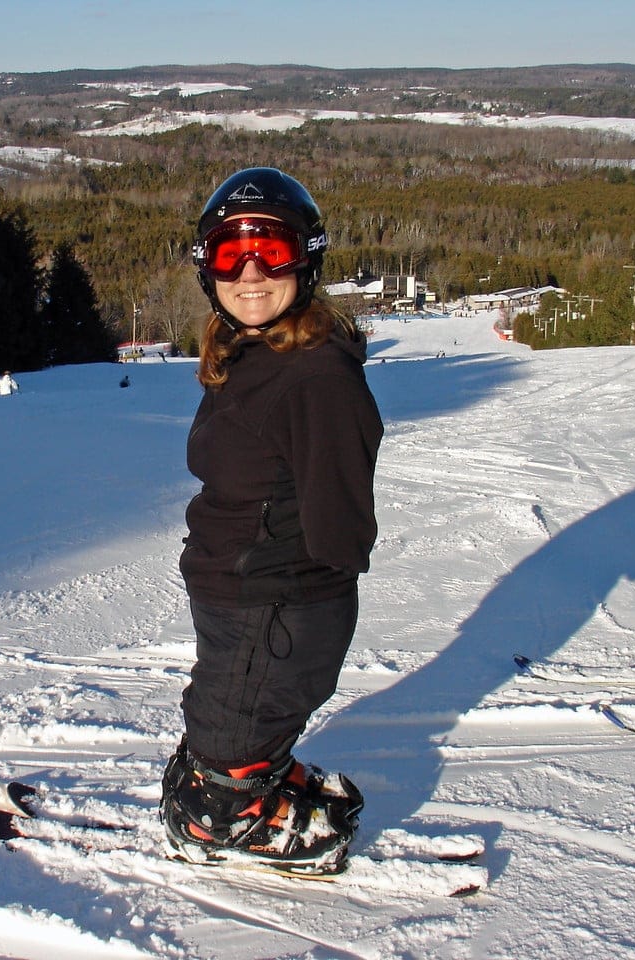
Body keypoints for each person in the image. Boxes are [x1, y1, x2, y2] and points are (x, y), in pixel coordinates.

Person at [159, 168, 383, 875]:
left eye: (271, 251)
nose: (250, 273)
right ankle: (241, 775)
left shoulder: (315, 375)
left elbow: (340, 525)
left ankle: (223, 815)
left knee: (236, 722)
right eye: (231, 254)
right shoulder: (251, 351)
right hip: (241, 590)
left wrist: (283, 580)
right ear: (208, 267)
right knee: (226, 710)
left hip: (276, 600)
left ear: (305, 259)